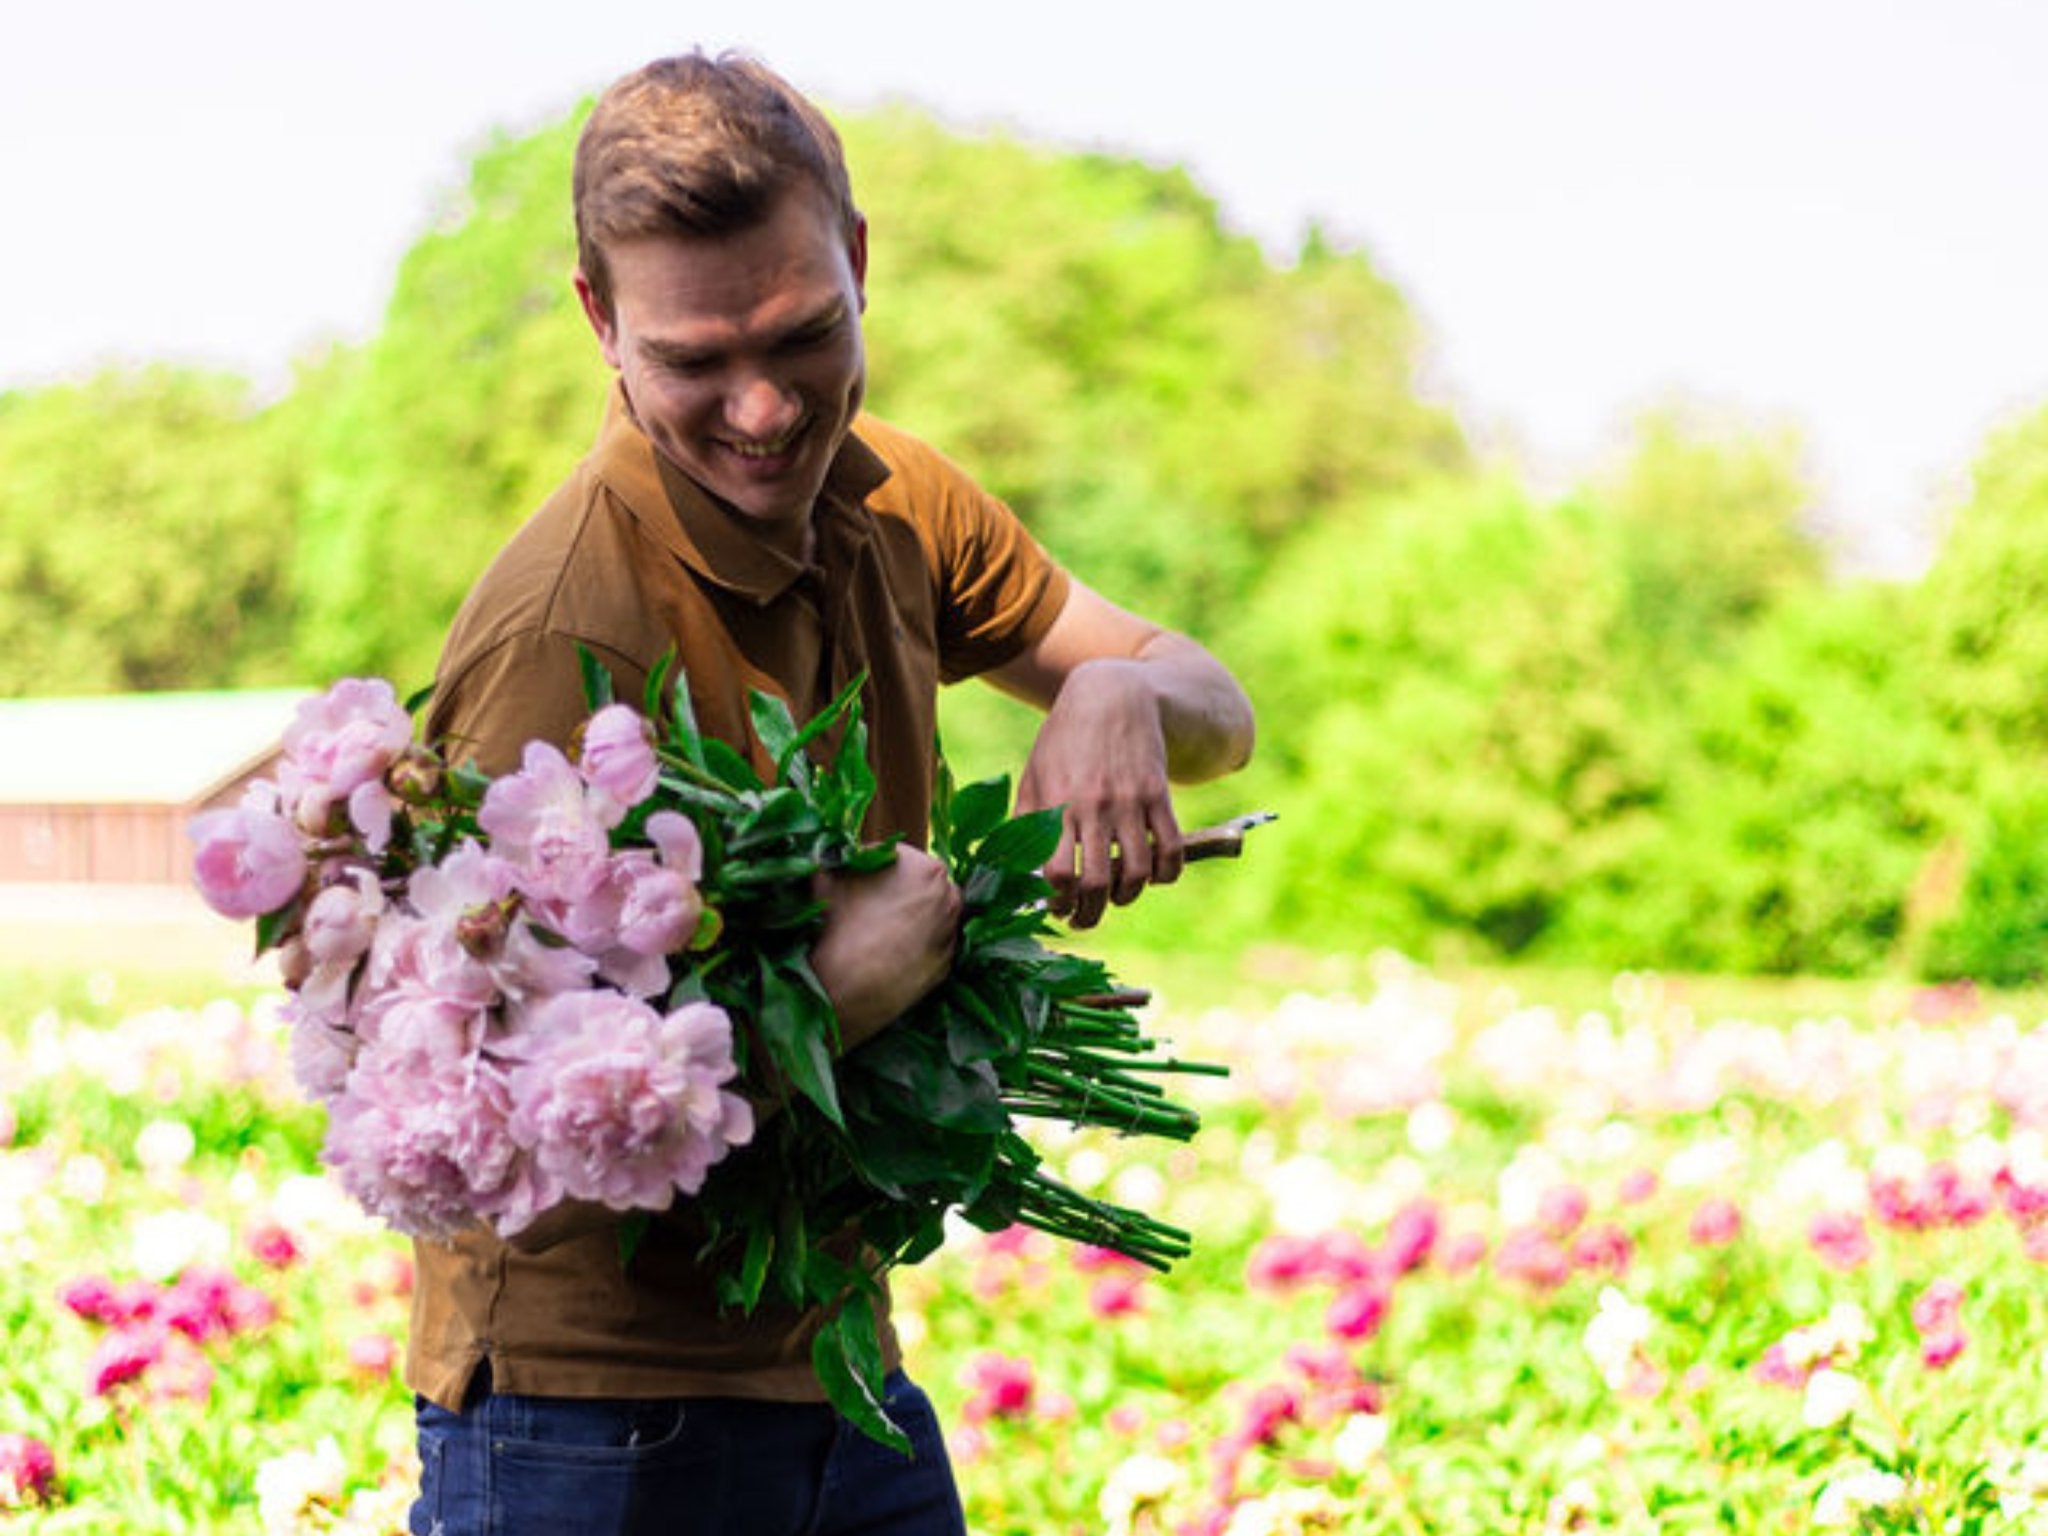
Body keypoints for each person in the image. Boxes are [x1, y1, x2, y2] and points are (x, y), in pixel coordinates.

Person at [406, 48, 1254, 1536]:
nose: (761, 409)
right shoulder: (565, 632)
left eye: (803, 335)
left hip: (840, 1372)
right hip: (591, 1426)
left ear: (860, 259)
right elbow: (498, 1144)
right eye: (692, 360)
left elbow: (1219, 712)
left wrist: (1118, 689)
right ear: (601, 321)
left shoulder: (897, 501)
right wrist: (834, 995)